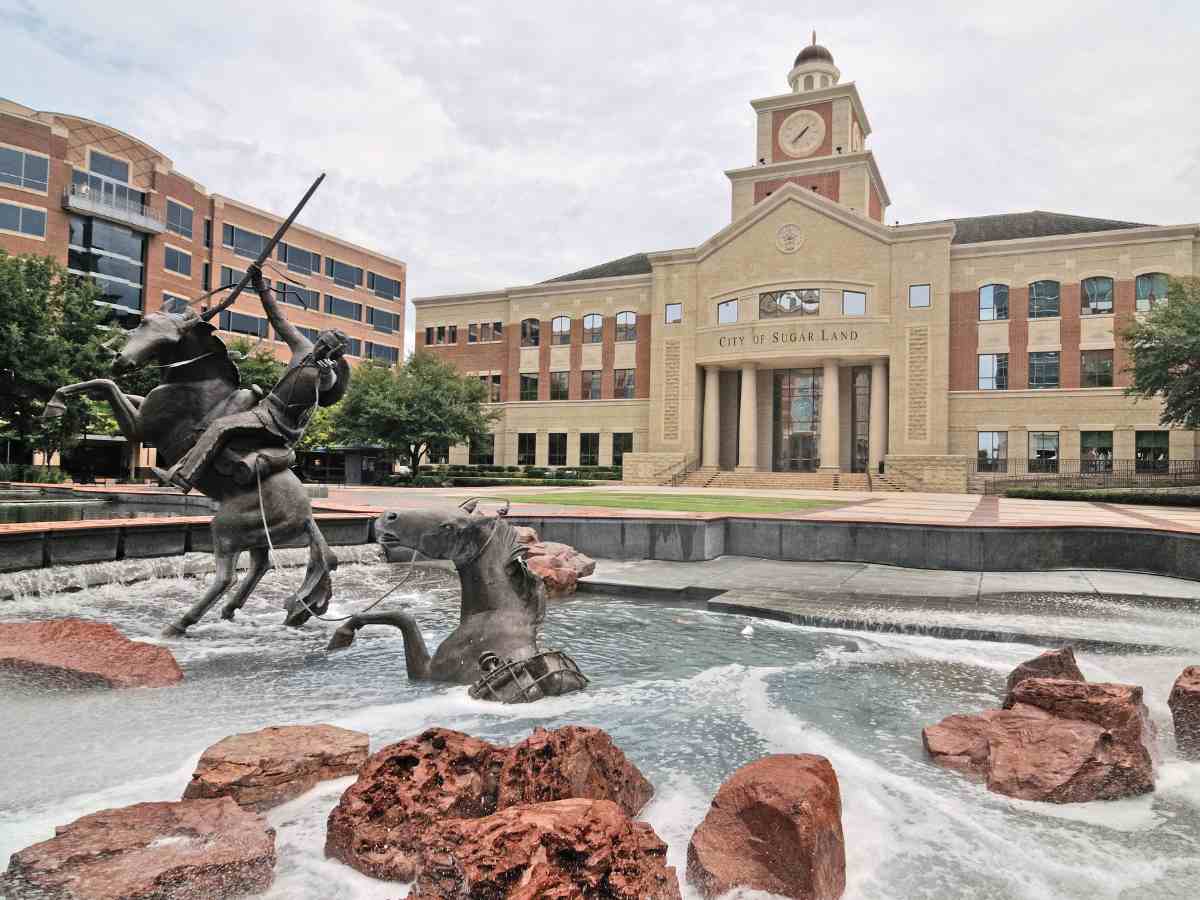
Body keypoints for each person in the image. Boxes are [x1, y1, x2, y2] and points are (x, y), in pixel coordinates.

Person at [154, 263, 350, 493]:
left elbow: (328, 385)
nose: (320, 346)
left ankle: (183, 480)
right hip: (264, 408)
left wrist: (326, 374)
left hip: (279, 423)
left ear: (333, 353)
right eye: (321, 340)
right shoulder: (301, 346)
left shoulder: (326, 371)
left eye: (327, 347)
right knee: (210, 418)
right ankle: (184, 465)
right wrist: (260, 285)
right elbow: (278, 319)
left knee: (220, 426)